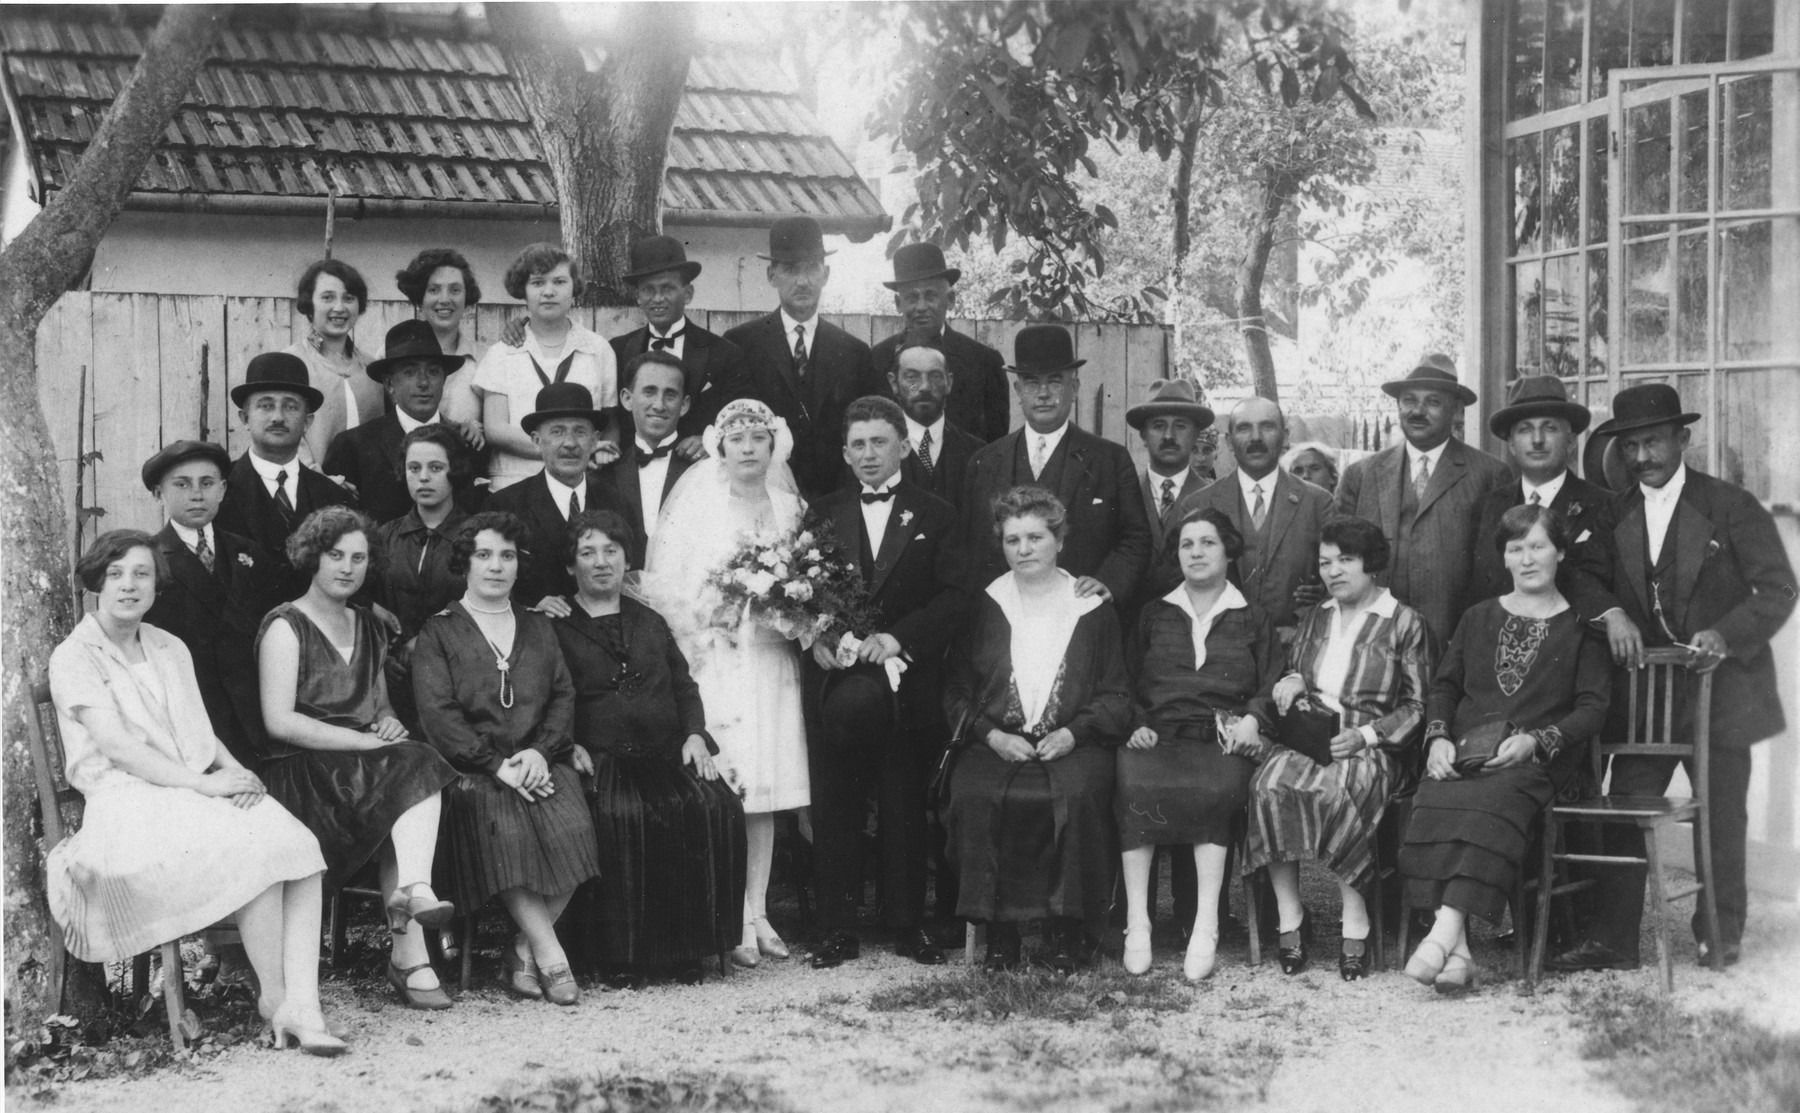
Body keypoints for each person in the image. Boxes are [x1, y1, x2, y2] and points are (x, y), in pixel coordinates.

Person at [47, 531, 340, 1055]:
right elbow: (120, 749)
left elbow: (198, 729)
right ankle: (277, 1000)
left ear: (158, 584)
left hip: (188, 790)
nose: (129, 586)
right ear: (96, 583)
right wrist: (207, 784)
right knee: (255, 850)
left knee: (297, 845)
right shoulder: (75, 656)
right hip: (126, 804)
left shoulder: (168, 646)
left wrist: (237, 773)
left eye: (141, 574)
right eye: (115, 575)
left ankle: (302, 1003)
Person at [1547, 384, 1797, 973]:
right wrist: (1610, 614)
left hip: (1723, 690)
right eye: (1630, 445)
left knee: (1721, 810)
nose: (1641, 457)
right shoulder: (1611, 513)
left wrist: (1725, 635)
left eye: (1653, 441)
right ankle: (1613, 938)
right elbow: (1580, 576)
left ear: (1683, 439)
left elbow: (1778, 588)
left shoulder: (1731, 506)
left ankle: (1719, 930)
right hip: (1644, 698)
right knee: (1629, 806)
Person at [1399, 505, 1611, 994]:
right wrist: (1437, 738)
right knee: (1434, 794)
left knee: (1492, 802)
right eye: (1516, 548)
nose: (1528, 559)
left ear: (1560, 552)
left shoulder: (1583, 628)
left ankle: (1442, 934)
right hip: (1467, 751)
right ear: (1505, 557)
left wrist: (1536, 741)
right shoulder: (1478, 617)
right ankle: (1461, 954)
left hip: (1539, 760)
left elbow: (1592, 708)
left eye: (1538, 546)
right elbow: (1445, 688)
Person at [256, 506, 458, 1011]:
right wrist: (363, 742)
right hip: (302, 768)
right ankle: (411, 954)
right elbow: (278, 721)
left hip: (359, 766)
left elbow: (379, 703)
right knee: (408, 772)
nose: (347, 567)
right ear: (312, 558)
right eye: (335, 555)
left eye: (359, 558)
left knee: (415, 759)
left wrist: (387, 723)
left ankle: (412, 897)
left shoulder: (370, 625)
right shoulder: (286, 626)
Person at [644, 397, 810, 967]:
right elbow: (666, 584)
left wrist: (787, 609)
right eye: (736, 439)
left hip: (770, 662)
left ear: (773, 446)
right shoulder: (699, 505)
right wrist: (713, 614)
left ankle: (759, 909)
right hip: (715, 662)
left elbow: (810, 584)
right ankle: (728, 915)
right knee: (728, 786)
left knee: (766, 789)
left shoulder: (790, 508)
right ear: (720, 445)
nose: (747, 448)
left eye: (757, 439)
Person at [806, 396, 971, 969]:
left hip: (908, 687)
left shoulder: (936, 513)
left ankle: (906, 924)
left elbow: (955, 596)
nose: (869, 454)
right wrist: (818, 638)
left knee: (903, 801)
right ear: (845, 453)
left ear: (903, 445)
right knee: (836, 801)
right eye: (859, 444)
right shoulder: (821, 512)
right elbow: (803, 594)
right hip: (838, 688)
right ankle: (836, 928)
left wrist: (901, 639)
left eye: (880, 442)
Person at [549, 510, 746, 986]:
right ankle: (621, 954)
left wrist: (696, 734)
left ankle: (686, 949)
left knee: (712, 805)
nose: (601, 563)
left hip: (665, 751)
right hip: (601, 755)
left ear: (626, 560)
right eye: (588, 553)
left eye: (611, 551)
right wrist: (567, 744)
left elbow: (683, 685)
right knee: (621, 815)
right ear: (571, 566)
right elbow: (548, 695)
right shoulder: (554, 623)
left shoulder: (650, 619)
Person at [411, 512, 601, 1006]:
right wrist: (497, 765)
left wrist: (541, 751)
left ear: (519, 565)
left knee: (575, 829)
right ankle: (551, 954)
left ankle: (522, 948)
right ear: (466, 562)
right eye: (484, 555)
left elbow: (562, 694)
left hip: (540, 762)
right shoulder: (439, 632)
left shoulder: (538, 625)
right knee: (509, 832)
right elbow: (439, 714)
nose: (497, 566)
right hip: (475, 773)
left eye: (508, 556)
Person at [942, 487, 1130, 973]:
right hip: (998, 740)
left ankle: (1067, 932)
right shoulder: (985, 604)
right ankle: (1000, 934)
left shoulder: (1091, 607)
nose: (1024, 549)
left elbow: (1116, 695)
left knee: (1079, 796)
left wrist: (1076, 733)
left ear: (1059, 540)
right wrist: (992, 736)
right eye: (1012, 540)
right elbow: (956, 690)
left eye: (1035, 537)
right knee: (976, 796)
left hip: (1071, 742)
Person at [1245, 517, 1433, 981]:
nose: (1333, 572)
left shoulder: (1404, 622)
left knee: (1344, 786)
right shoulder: (1317, 617)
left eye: (1345, 560)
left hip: (1374, 745)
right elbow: (1296, 672)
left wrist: (1367, 736)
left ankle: (1356, 921)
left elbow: (1418, 705)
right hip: (1311, 735)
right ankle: (1292, 919)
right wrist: (1291, 681)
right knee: (1268, 784)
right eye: (1325, 562)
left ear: (1372, 565)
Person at [1117, 508, 1285, 982]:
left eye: (1208, 542)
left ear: (1229, 550)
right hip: (1156, 738)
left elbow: (1271, 681)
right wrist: (1134, 721)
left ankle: (1205, 924)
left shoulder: (1252, 616)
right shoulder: (1154, 613)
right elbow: (1123, 679)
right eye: (1187, 544)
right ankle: (1138, 924)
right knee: (1131, 786)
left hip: (1220, 741)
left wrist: (1254, 718)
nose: (1196, 552)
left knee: (1216, 792)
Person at [961, 324, 1152, 610]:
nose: (1043, 393)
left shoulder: (1110, 459)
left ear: (1074, 388)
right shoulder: (984, 461)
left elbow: (1136, 538)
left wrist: (1109, 582)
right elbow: (969, 548)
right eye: (1031, 382)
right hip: (1004, 621)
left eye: (1054, 382)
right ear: (1017, 390)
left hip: (1080, 617)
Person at [1335, 355, 1513, 647]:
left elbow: (1495, 574)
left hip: (1452, 640)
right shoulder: (1360, 475)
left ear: (1456, 410)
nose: (1417, 411)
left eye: (1432, 402)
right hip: (1372, 642)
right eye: (1409, 401)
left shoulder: (1489, 474)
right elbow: (1338, 560)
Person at [142, 440, 282, 768]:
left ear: (221, 490)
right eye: (181, 484)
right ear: (159, 494)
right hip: (191, 722)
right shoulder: (148, 561)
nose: (196, 494)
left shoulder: (249, 554)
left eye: (206, 483)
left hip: (256, 719)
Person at [723, 216, 882, 499]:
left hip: (838, 500)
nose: (802, 281)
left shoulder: (854, 352)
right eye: (790, 269)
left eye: (811, 268)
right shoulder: (740, 345)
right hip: (765, 498)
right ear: (772, 276)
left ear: (826, 274)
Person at [472, 243, 619, 491]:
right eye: (538, 283)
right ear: (524, 291)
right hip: (515, 482)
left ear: (574, 288)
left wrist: (599, 453)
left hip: (580, 483)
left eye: (559, 282)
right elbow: (496, 429)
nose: (549, 291)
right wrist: (565, 451)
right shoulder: (501, 354)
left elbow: (610, 425)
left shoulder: (598, 349)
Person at [1469, 376, 1614, 617]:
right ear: (1512, 445)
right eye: (1525, 430)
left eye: (1549, 428)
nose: (1537, 440)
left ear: (1570, 442)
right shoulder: (1488, 506)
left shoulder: (1604, 505)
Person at [215, 352, 355, 602]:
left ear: (307, 421)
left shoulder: (334, 496)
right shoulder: (217, 493)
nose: (278, 417)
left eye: (290, 406)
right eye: (266, 405)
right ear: (245, 418)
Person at [323, 320, 483, 525]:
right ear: (390, 383)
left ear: (444, 380)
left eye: (433, 371)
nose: (424, 382)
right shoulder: (354, 445)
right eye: (410, 372)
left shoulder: (467, 441)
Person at [483, 383, 625, 606]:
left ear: (595, 440)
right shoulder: (503, 506)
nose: (570, 443)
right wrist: (530, 609)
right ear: (537, 440)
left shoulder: (617, 504)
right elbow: (488, 585)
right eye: (557, 432)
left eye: (580, 431)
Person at [608, 234, 747, 453]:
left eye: (667, 288)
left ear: (688, 293)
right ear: (638, 296)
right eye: (648, 290)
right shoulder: (618, 351)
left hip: (697, 472)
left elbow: (739, 419)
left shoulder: (724, 354)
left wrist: (710, 440)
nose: (657, 298)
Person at [871, 242, 1009, 443]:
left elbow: (996, 445)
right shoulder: (877, 360)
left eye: (931, 296)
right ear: (898, 304)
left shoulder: (985, 363)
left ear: (950, 299)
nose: (921, 307)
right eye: (911, 297)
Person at [593, 351, 705, 569]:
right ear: (627, 398)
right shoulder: (603, 471)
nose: (659, 405)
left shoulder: (703, 467)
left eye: (670, 395)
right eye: (649, 392)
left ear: (684, 405)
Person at [372, 425, 475, 642]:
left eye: (436, 468)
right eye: (414, 468)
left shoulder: (478, 537)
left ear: (455, 469)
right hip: (392, 665)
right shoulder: (386, 536)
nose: (424, 477)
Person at [281, 258, 381, 470]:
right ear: (309, 304)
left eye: (349, 298)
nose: (339, 307)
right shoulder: (291, 363)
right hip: (313, 487)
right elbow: (284, 435)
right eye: (327, 297)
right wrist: (320, 480)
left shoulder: (372, 368)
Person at [392, 247, 489, 438]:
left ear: (466, 297)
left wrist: (478, 429)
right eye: (434, 290)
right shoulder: (390, 354)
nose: (445, 299)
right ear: (419, 298)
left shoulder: (486, 358)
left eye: (455, 290)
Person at [1128, 379, 1214, 565]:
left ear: (1195, 434)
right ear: (1144, 434)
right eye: (1159, 426)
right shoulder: (1124, 494)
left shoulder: (1214, 498)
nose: (1169, 436)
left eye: (1180, 426)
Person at [890, 342, 983, 510]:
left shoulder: (978, 453)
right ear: (894, 383)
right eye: (912, 377)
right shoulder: (879, 451)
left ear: (949, 382)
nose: (925, 387)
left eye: (935, 377)